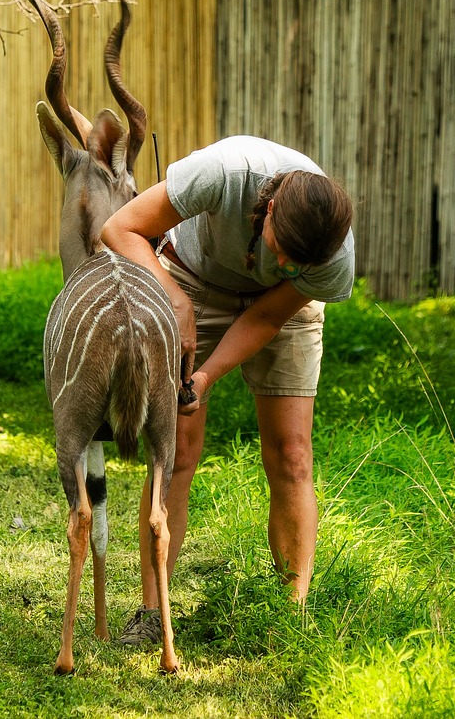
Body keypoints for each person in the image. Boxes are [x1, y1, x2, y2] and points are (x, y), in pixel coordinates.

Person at [99, 134, 355, 646]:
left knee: (292, 455)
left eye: (297, 266)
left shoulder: (329, 258)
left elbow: (266, 315)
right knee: (177, 452)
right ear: (270, 208)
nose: (283, 267)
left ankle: (290, 617)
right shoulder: (222, 173)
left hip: (281, 309)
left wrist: (205, 376)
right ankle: (154, 614)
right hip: (192, 279)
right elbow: (119, 228)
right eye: (281, 253)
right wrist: (173, 299)